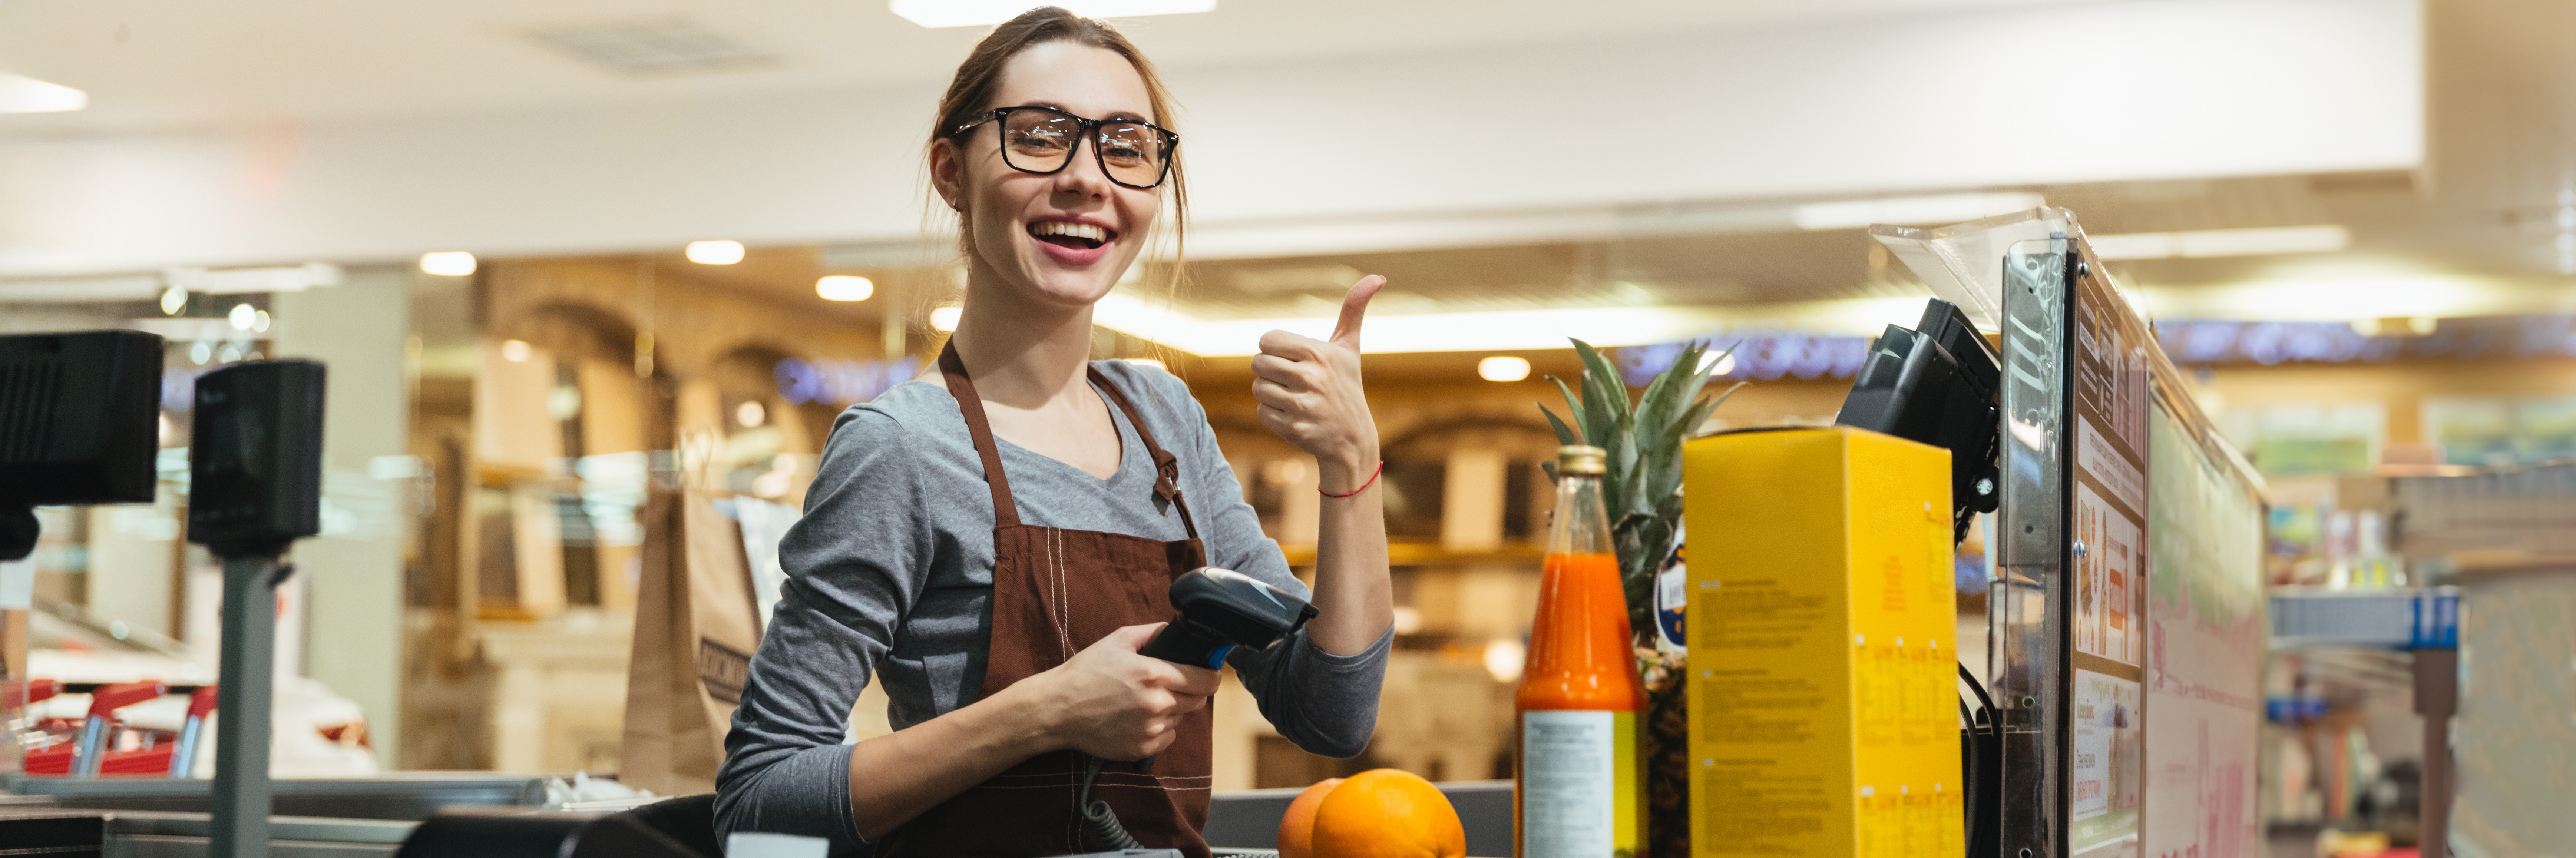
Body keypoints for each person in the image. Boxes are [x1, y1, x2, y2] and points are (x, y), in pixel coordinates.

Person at [713, 8, 1394, 856]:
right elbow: (761, 795)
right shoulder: (901, 446)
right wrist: (1048, 711)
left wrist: (1351, 462)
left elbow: (1329, 714)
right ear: (950, 173)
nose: (1086, 177)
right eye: (1038, 136)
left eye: (1126, 146)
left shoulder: (1164, 422)